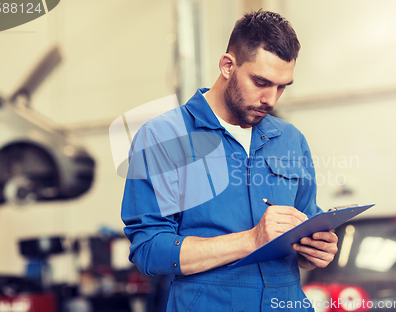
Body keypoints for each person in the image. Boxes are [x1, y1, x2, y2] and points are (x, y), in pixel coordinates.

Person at [121, 10, 338, 312]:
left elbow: (303, 228)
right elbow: (149, 250)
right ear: (227, 66)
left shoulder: (290, 140)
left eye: (282, 86)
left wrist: (315, 249)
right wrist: (250, 240)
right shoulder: (163, 136)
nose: (271, 99)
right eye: (261, 82)